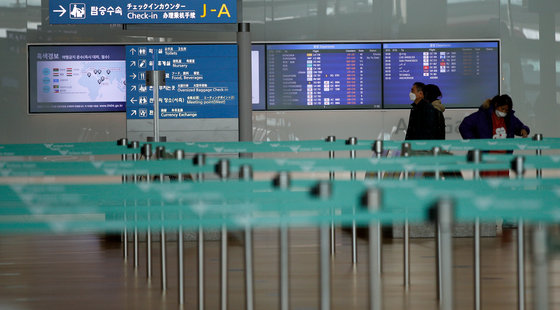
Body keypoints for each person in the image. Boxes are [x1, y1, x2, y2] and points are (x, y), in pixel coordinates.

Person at [459, 94, 530, 177]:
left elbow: (520, 126)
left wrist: (524, 130)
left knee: (503, 185)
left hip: (504, 158)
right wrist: (474, 142)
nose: (504, 112)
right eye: (502, 109)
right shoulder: (483, 115)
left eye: (506, 110)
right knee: (489, 185)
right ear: (496, 105)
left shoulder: (509, 117)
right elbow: (464, 126)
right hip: (487, 158)